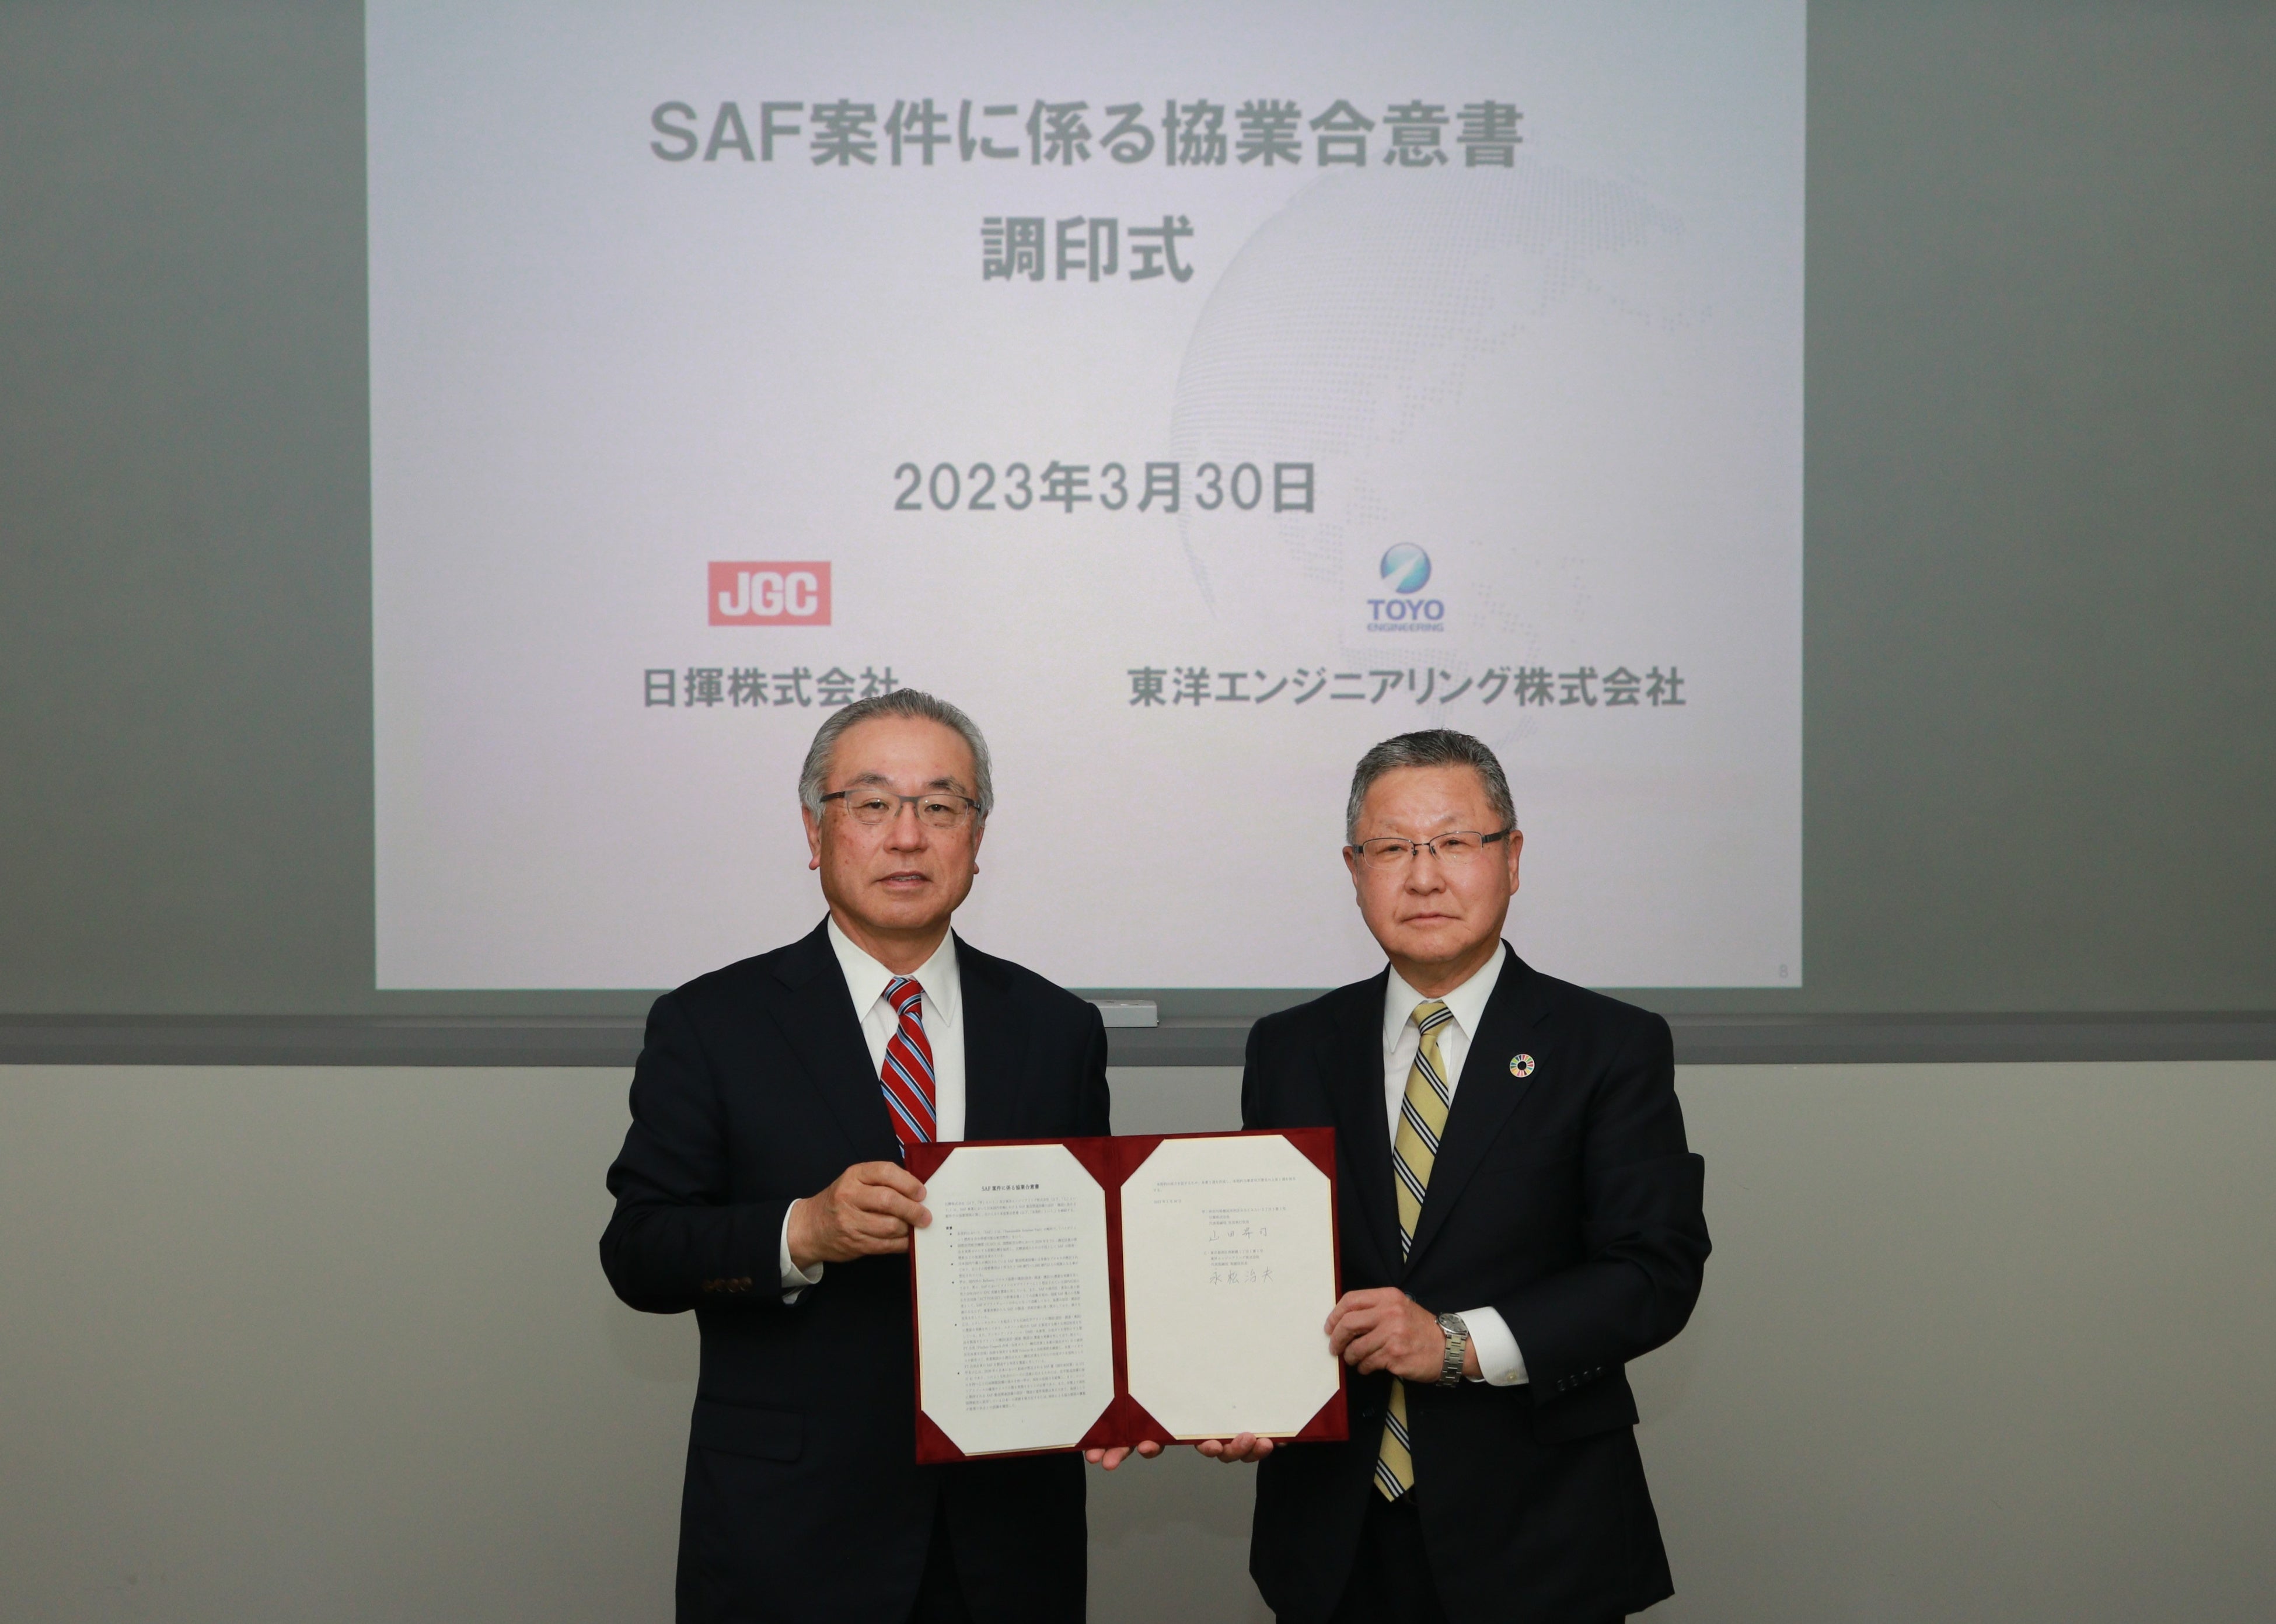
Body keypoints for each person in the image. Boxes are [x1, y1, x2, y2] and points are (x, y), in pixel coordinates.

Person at [601, 690, 1150, 1624]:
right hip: (792, 1535)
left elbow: (1089, 1257)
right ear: (816, 832)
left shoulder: (1056, 1028)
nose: (908, 837)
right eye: (872, 804)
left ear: (977, 838)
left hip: (1008, 1535)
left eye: (941, 807)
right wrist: (801, 1230)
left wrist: (1131, 1385)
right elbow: (642, 1250)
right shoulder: (712, 1023)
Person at [1205, 729, 1709, 1624]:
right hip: (1332, 1535)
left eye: (1454, 843)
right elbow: (1265, 1269)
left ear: (1511, 859)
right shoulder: (1289, 1048)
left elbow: (1652, 1272)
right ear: (1354, 869)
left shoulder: (1609, 1046)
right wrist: (1237, 1386)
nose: (1424, 877)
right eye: (1392, 849)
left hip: (1540, 1535)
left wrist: (1455, 1343)